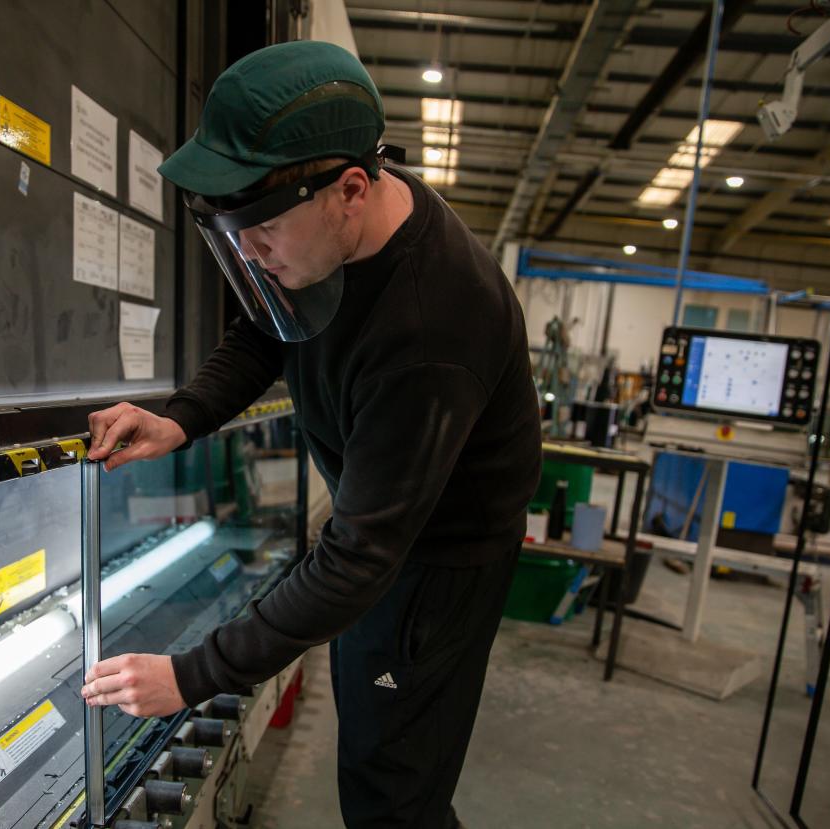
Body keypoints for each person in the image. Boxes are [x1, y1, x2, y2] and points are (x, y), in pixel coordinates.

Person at [80, 40, 541, 829]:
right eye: (236, 238)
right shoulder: (323, 228)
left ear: (352, 189)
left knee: (393, 792)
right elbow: (267, 326)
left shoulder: (433, 329)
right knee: (372, 754)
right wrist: (183, 415)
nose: (253, 256)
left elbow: (359, 558)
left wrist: (192, 675)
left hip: (436, 561)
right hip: (383, 532)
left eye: (262, 236)